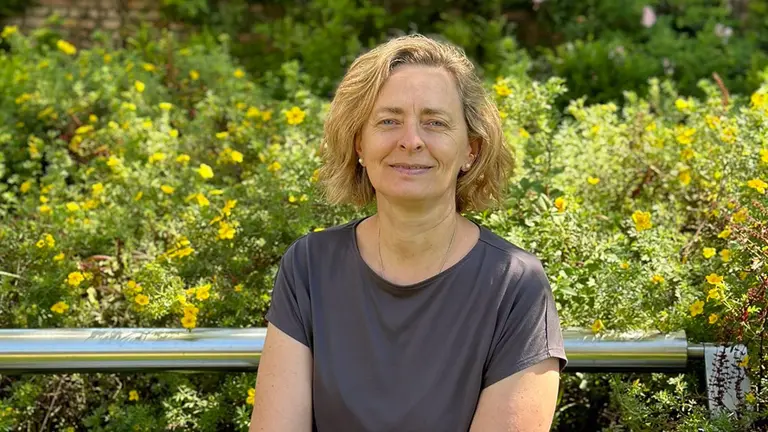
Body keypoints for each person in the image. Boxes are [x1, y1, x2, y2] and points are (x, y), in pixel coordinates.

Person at [249, 34, 568, 431]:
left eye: (434, 122)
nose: (411, 141)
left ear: (470, 149)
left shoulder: (514, 285)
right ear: (359, 145)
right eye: (388, 121)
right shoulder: (310, 267)